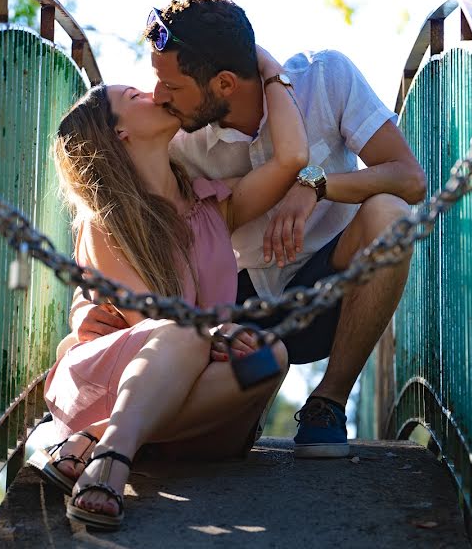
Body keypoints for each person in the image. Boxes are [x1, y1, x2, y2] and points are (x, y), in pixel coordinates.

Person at [73, 0, 426, 459]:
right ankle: (226, 412)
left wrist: (318, 185)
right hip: (234, 309)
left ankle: (328, 403)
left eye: (171, 85)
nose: (159, 95)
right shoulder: (176, 140)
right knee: (227, 372)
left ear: (222, 83)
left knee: (389, 213)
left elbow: (409, 178)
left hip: (330, 294)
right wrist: (84, 305)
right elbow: (118, 216)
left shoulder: (326, 78)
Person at [35, 46, 309, 530]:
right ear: (120, 133)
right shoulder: (105, 222)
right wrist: (218, 333)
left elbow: (292, 158)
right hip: (120, 380)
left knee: (273, 355)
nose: (154, 92)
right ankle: (112, 461)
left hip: (197, 410)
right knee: (179, 332)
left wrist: (263, 66)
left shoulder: (211, 207)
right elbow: (154, 319)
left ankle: (98, 438)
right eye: (135, 95)